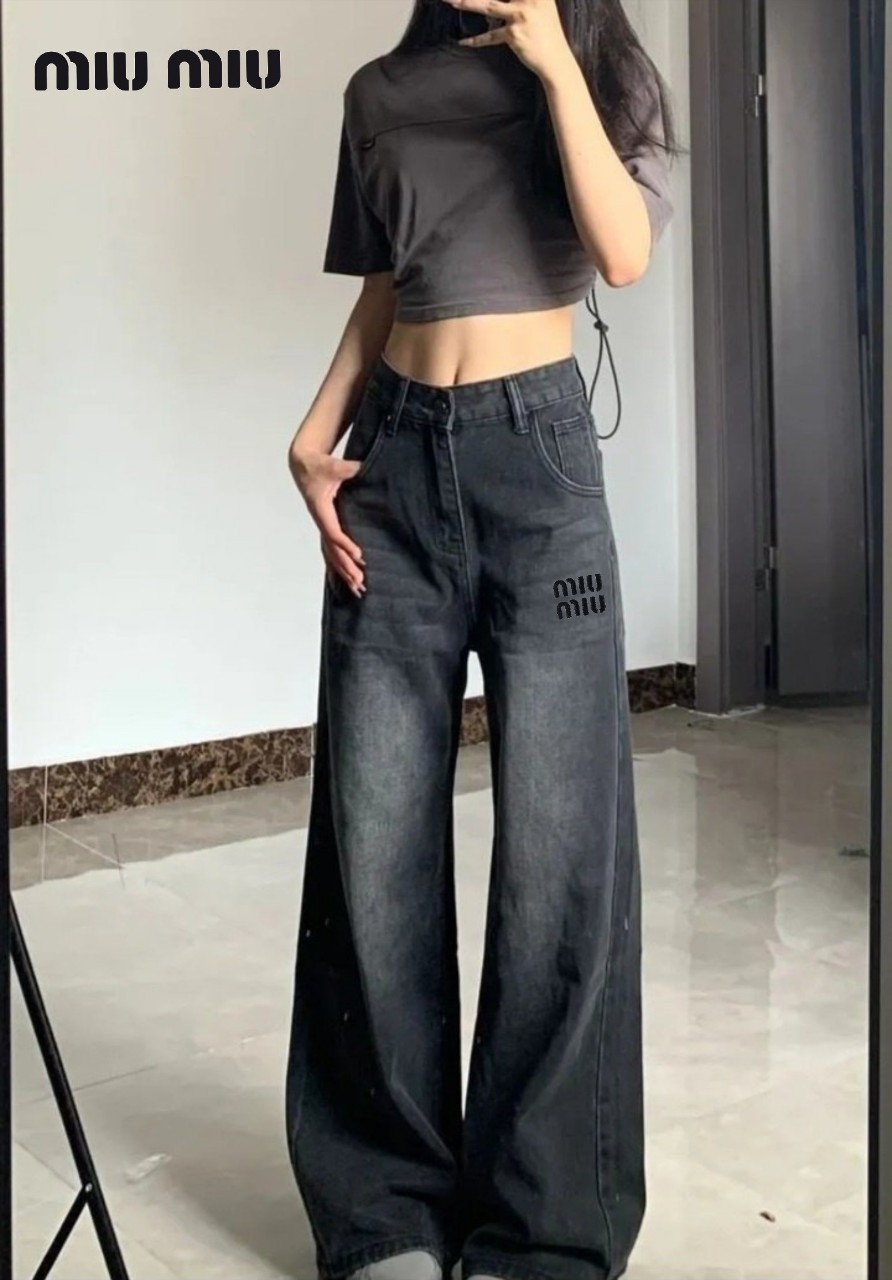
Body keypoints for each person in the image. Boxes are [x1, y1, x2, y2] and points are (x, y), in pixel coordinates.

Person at [285, 1, 677, 1278]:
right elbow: (388, 283)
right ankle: (383, 1207)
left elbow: (623, 253)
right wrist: (315, 431)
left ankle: (541, 1227)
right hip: (393, 462)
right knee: (373, 847)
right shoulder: (378, 91)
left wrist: (552, 57)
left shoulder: (600, 72)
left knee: (560, 859)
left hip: (538, 463)